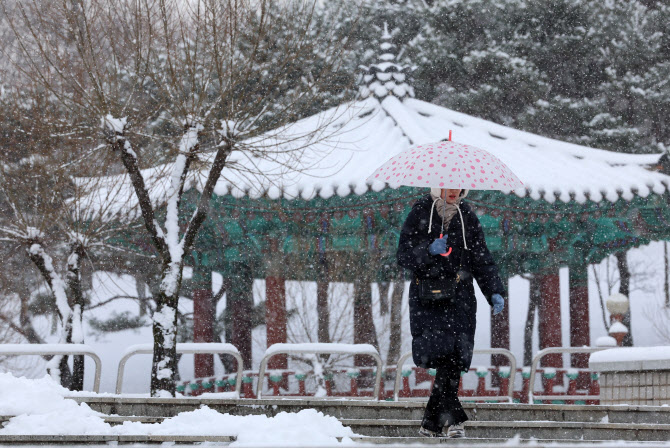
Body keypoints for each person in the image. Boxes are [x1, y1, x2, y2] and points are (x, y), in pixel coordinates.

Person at [396, 187, 505, 438]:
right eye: (449, 184)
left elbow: (481, 257)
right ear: (437, 185)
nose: (455, 190)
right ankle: (453, 419)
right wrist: (428, 250)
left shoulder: (467, 215)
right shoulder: (420, 212)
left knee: (455, 356)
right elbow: (403, 256)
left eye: (459, 185)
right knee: (445, 355)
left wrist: (493, 291)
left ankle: (431, 424)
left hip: (461, 297)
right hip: (429, 297)